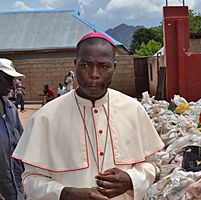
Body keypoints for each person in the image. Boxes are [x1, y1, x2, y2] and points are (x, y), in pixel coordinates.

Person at [13, 32, 164, 200]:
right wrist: (64, 194)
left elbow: (153, 165)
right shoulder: (45, 117)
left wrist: (131, 179)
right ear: (75, 64)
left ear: (114, 66)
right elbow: (29, 180)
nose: (94, 74)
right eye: (85, 65)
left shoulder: (133, 110)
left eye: (104, 66)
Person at [0, 58, 25, 200]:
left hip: (16, 191)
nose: (12, 83)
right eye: (7, 78)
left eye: (13, 78)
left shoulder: (11, 109)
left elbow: (22, 148)